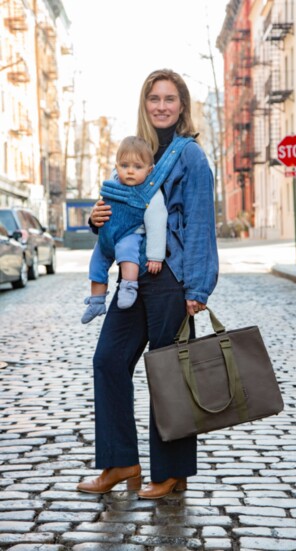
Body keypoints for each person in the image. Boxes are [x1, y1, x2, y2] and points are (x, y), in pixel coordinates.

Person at [77, 68, 219, 499]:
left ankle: (172, 471)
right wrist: (94, 219)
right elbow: (118, 215)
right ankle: (121, 462)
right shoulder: (134, 151)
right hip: (132, 278)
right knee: (108, 360)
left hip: (171, 278)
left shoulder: (189, 155)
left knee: (168, 373)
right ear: (145, 104)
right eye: (154, 98)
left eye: (169, 98)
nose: (161, 105)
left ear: (182, 106)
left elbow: (199, 224)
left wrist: (197, 288)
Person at [81, 136, 167, 324]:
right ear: (116, 166)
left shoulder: (151, 193)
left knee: (128, 254)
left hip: (131, 233)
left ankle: (128, 287)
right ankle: (96, 301)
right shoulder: (112, 184)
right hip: (107, 235)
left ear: (149, 170)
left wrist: (155, 256)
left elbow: (157, 224)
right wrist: (94, 218)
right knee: (96, 263)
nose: (129, 171)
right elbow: (102, 208)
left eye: (137, 167)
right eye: (124, 165)